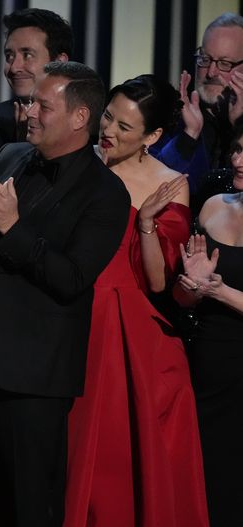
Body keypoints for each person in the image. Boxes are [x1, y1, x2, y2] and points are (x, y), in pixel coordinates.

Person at [0, 61, 130, 527]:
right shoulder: (8, 156)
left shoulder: (107, 193)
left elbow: (71, 278)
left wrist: (10, 227)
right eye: (29, 102)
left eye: (43, 105)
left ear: (80, 117)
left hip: (33, 379)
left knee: (28, 506)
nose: (29, 113)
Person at [64, 74, 209, 527]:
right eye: (108, 117)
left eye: (125, 128)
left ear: (153, 136)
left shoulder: (170, 183)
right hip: (75, 321)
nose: (109, 131)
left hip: (135, 335)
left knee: (131, 459)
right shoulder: (76, 162)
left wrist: (146, 224)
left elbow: (158, 281)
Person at [174, 124, 243, 525]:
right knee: (206, 478)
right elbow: (184, 299)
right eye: (235, 150)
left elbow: (217, 291)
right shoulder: (213, 205)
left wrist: (220, 292)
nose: (236, 161)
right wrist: (193, 288)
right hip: (206, 364)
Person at [0, 8, 72, 188]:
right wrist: (20, 150)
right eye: (9, 56)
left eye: (27, 55)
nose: (14, 67)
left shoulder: (89, 126)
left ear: (59, 62)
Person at [153, 13, 243, 204]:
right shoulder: (169, 117)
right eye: (205, 59)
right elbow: (155, 185)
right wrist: (188, 136)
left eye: (225, 64)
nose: (211, 72)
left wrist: (239, 126)